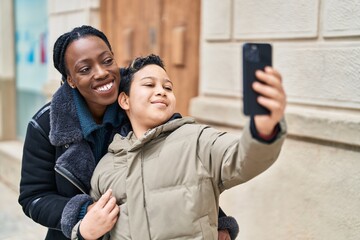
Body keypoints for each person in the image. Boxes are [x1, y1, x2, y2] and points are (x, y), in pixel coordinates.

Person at [18, 26, 237, 240]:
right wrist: (84, 216)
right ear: (71, 80)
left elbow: (182, 160)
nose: (102, 72)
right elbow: (33, 196)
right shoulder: (45, 125)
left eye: (107, 61)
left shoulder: (139, 99)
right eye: (85, 69)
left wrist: (217, 220)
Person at [90, 54, 287, 239]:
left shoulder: (198, 140)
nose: (161, 91)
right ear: (125, 100)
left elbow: (242, 157)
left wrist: (263, 129)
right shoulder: (107, 165)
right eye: (149, 84)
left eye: (168, 88)